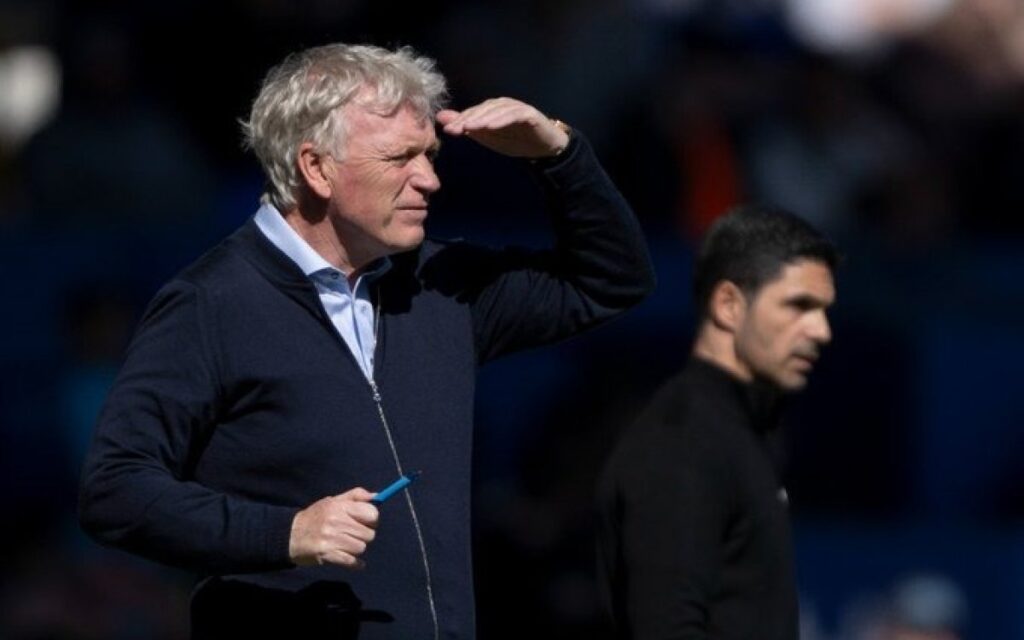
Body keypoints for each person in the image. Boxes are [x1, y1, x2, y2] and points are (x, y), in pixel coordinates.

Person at [78, 43, 655, 639]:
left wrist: (558, 153)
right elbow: (115, 490)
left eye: (430, 154)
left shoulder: (440, 285)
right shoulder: (211, 302)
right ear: (316, 167)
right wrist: (287, 533)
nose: (429, 179)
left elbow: (612, 280)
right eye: (400, 157)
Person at [595, 204, 838, 640]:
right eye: (799, 305)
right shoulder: (682, 441)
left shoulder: (740, 430)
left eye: (823, 310)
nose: (821, 331)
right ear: (728, 305)